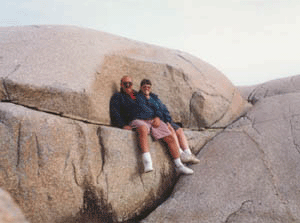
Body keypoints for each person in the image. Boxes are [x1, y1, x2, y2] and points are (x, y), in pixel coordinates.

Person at [110, 76, 193, 174]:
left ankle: (179, 165)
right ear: (121, 84)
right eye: (125, 83)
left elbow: (156, 105)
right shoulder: (118, 97)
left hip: (152, 119)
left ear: (133, 84)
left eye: (130, 83)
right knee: (142, 129)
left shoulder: (137, 95)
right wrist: (122, 125)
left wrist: (158, 117)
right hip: (136, 120)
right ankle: (147, 162)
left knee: (170, 136)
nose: (128, 85)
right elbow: (115, 113)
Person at [137, 79, 200, 165]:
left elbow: (162, 109)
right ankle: (180, 153)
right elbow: (149, 112)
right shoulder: (139, 98)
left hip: (163, 119)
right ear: (141, 87)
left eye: (148, 87)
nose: (146, 89)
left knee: (179, 130)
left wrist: (168, 121)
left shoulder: (154, 97)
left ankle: (188, 154)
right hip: (155, 122)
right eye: (144, 87)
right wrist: (148, 100)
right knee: (171, 131)